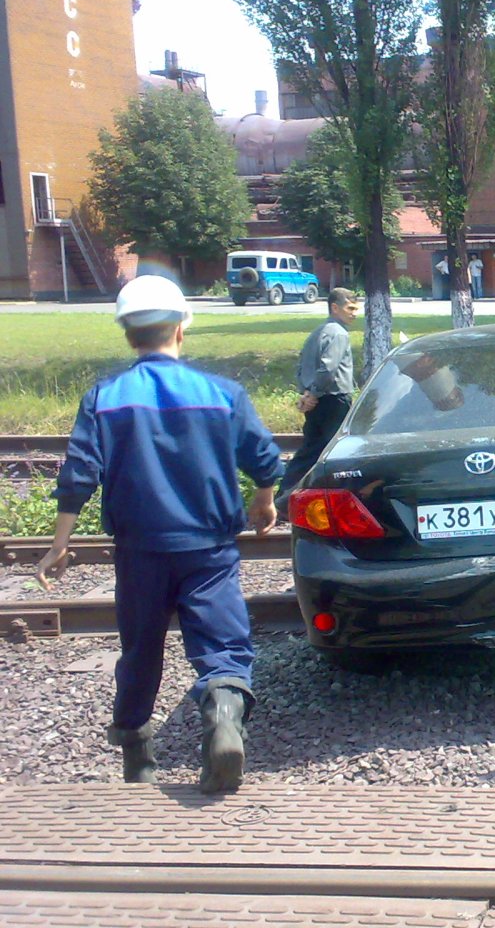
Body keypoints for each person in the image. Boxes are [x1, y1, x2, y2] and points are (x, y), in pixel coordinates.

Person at [35, 275, 282, 793]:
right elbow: (263, 458)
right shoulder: (222, 393)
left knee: (140, 649)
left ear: (128, 334)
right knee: (222, 646)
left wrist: (60, 543)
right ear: (183, 327)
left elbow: (80, 472)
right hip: (210, 550)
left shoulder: (104, 397)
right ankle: (222, 711)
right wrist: (263, 499)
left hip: (139, 551)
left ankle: (137, 754)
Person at [276, 287, 360, 503]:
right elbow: (328, 369)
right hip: (334, 399)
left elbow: (302, 366)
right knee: (338, 452)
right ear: (335, 307)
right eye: (350, 308)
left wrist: (306, 393)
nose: (355, 313)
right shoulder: (339, 333)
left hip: (316, 401)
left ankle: (284, 497)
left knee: (309, 452)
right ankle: (338, 499)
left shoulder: (318, 332)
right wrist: (313, 393)